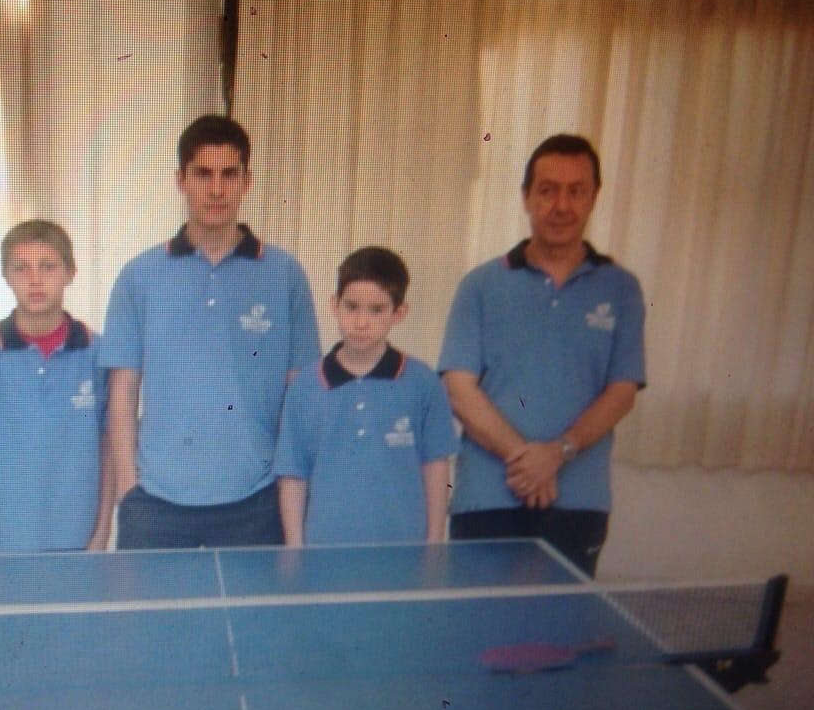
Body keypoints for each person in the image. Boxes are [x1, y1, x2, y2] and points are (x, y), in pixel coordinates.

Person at [100, 114, 321, 549]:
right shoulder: (139, 276)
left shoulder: (284, 274)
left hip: (256, 501)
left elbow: (300, 391)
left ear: (247, 181)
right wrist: (129, 488)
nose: (216, 189)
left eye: (228, 174)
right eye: (203, 174)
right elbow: (122, 390)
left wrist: (287, 487)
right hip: (155, 505)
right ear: (181, 180)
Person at [437, 134, 645, 576]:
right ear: (526, 197)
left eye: (576, 191)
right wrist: (528, 458)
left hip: (578, 503)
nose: (561, 205)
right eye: (547, 190)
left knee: (563, 622)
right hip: (486, 499)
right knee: (478, 621)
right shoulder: (480, 285)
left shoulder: (622, 289)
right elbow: (458, 389)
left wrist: (558, 453)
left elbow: (622, 392)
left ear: (593, 198)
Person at [0, 220, 113, 554]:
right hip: (2, 540)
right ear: (6, 276)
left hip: (77, 537)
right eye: (21, 268)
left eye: (47, 267)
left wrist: (101, 533)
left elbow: (109, 447)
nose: (34, 280)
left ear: (70, 273)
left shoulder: (99, 354)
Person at [275, 247, 456, 546]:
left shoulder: (423, 382)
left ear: (399, 313)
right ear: (334, 305)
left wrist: (435, 542)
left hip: (404, 552)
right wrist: (296, 550)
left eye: (376, 310)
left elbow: (436, 465)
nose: (361, 322)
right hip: (324, 554)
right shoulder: (304, 386)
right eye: (352, 307)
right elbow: (293, 476)